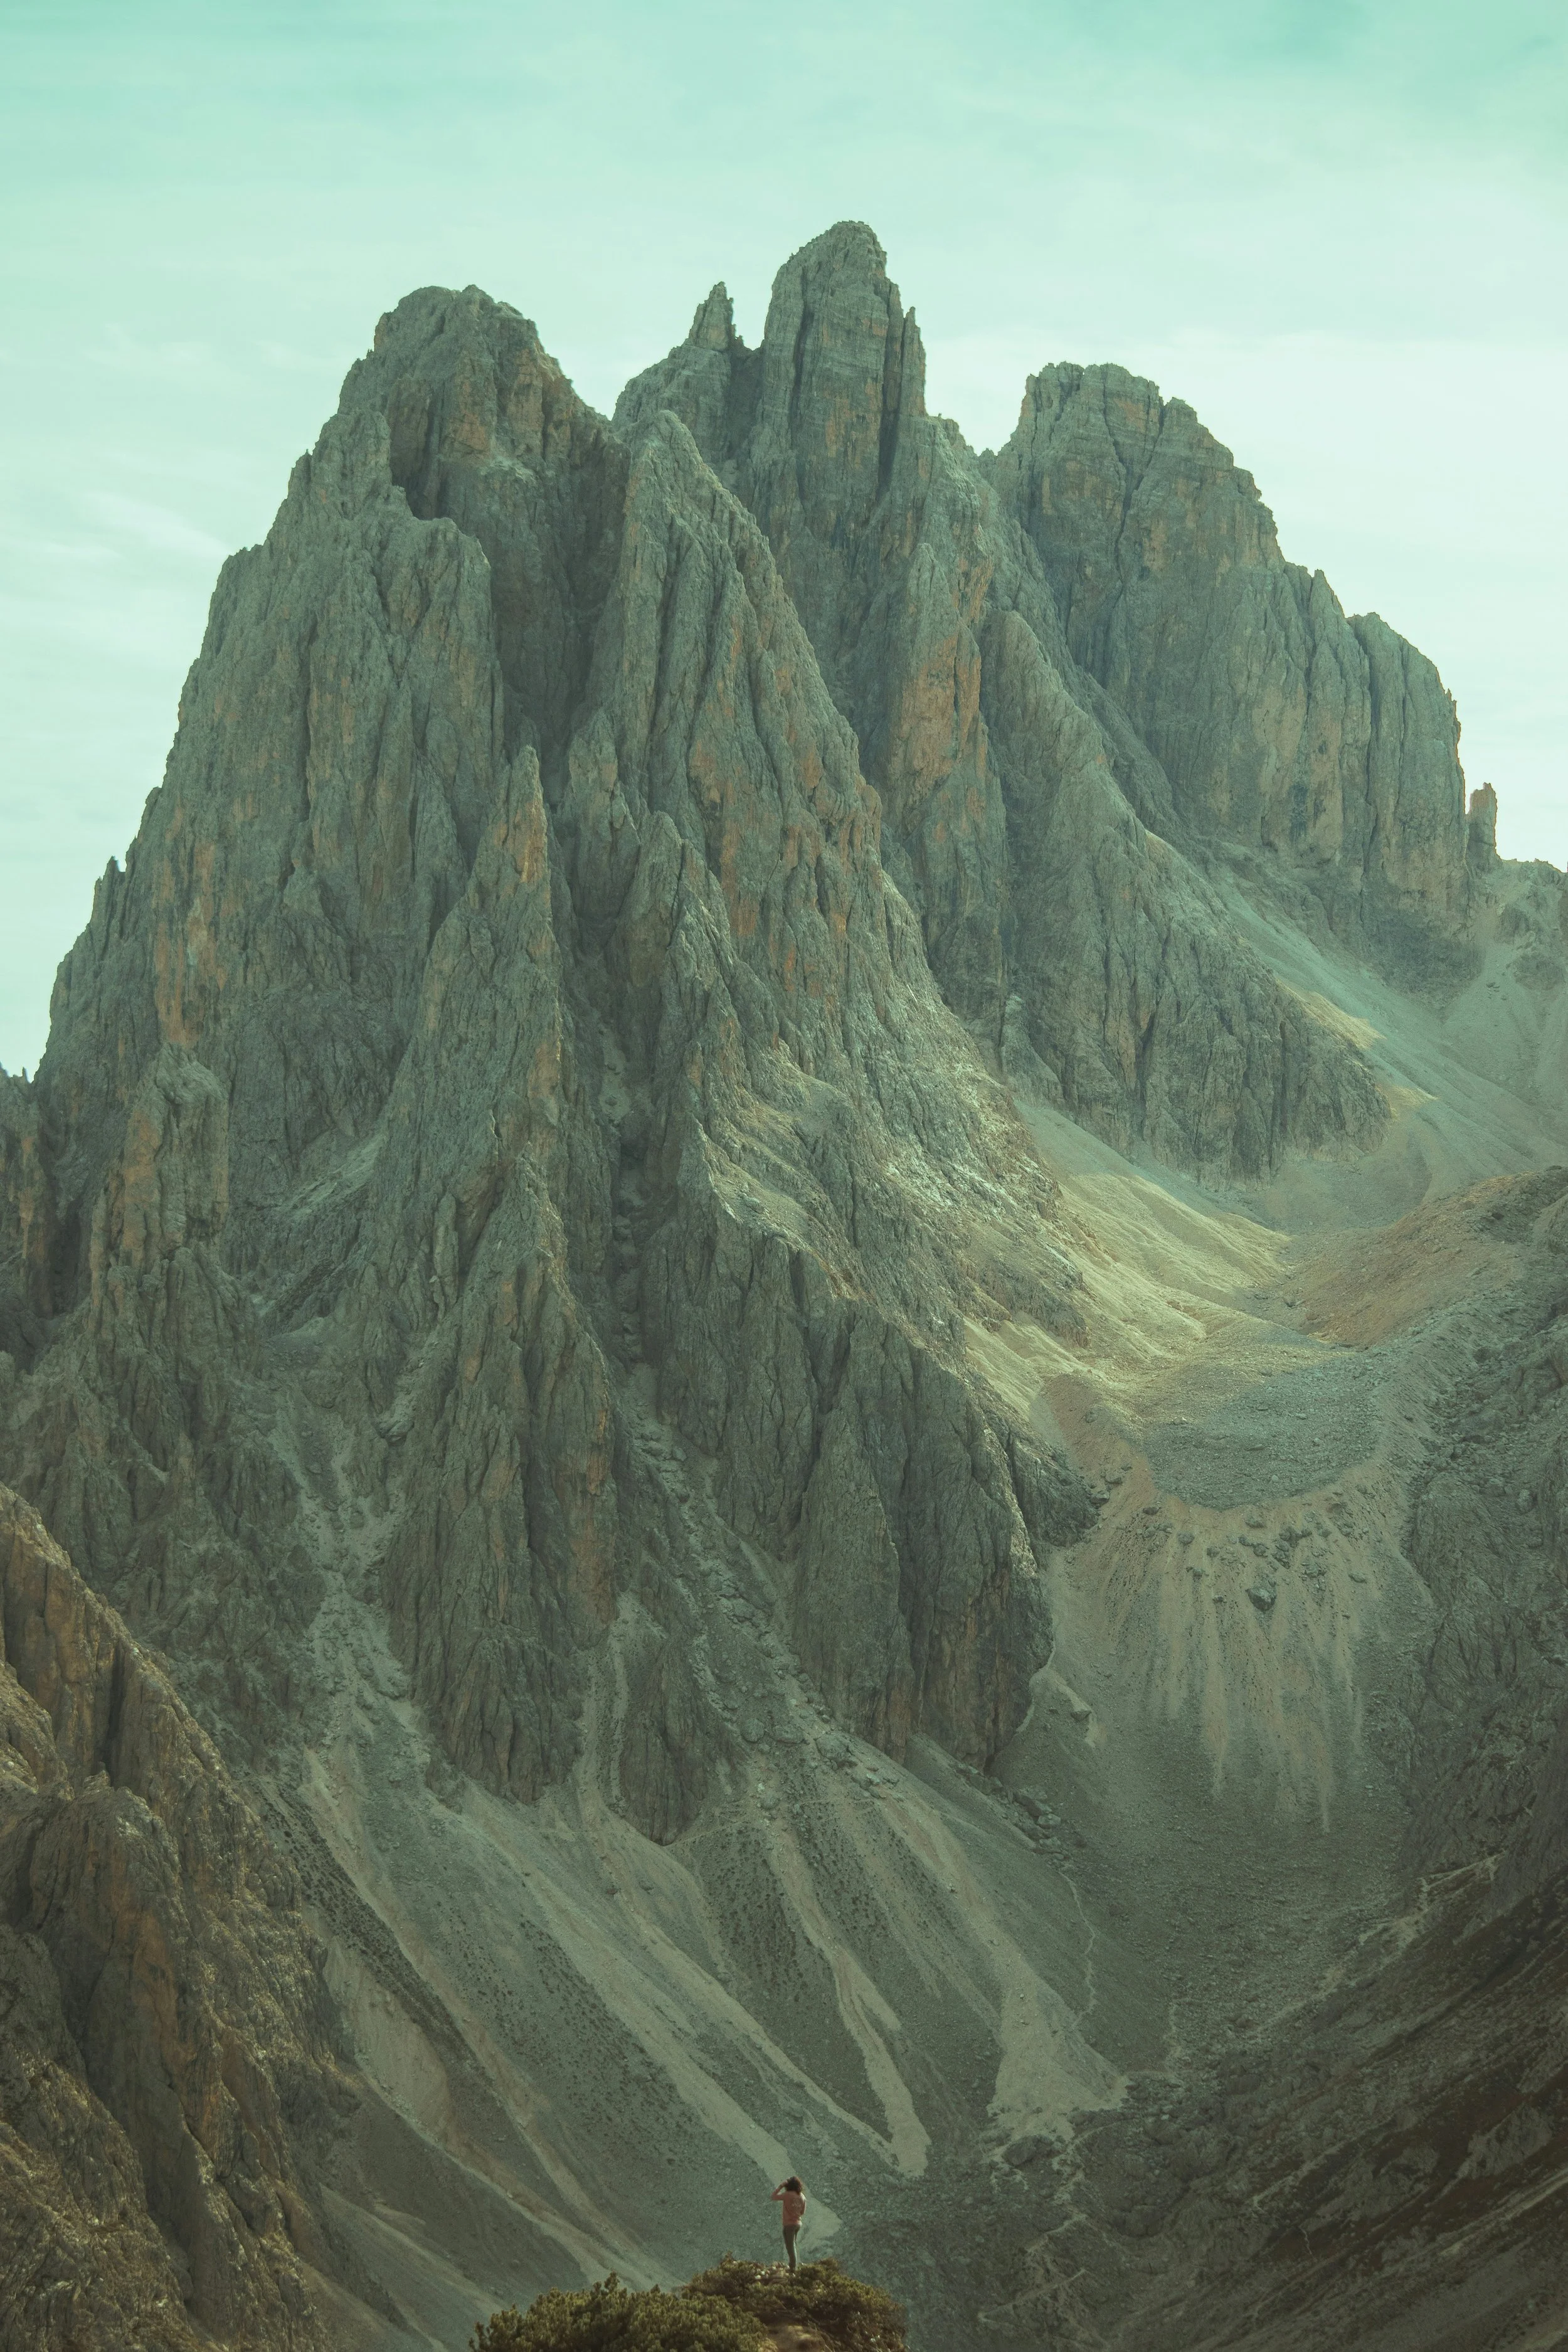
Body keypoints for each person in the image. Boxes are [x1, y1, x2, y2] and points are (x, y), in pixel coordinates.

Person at [771, 2176, 807, 2270]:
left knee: (790, 2246)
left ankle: (793, 2268)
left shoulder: (788, 2195)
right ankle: (793, 2265)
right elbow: (802, 2212)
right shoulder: (802, 2196)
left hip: (789, 2224)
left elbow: (773, 2196)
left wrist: (781, 2185)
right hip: (798, 2223)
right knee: (792, 2244)